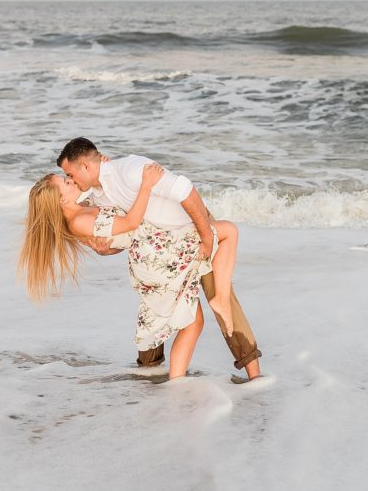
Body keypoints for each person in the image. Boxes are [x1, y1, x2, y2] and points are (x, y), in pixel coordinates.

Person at [55, 137, 263, 380]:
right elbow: (124, 228)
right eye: (66, 179)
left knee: (219, 299)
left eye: (70, 174)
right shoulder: (95, 193)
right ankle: (150, 372)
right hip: (165, 245)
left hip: (193, 226)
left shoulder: (131, 170)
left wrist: (206, 236)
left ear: (87, 167)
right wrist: (106, 248)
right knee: (163, 307)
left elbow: (186, 191)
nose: (71, 180)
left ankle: (253, 375)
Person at [17, 164, 240, 379]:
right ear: (61, 200)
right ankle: (219, 300)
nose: (71, 180)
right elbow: (131, 223)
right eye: (66, 182)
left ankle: (176, 385)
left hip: (152, 251)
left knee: (193, 323)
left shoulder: (81, 210)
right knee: (228, 231)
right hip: (157, 253)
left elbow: (109, 210)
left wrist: (101, 168)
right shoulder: (79, 220)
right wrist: (146, 184)